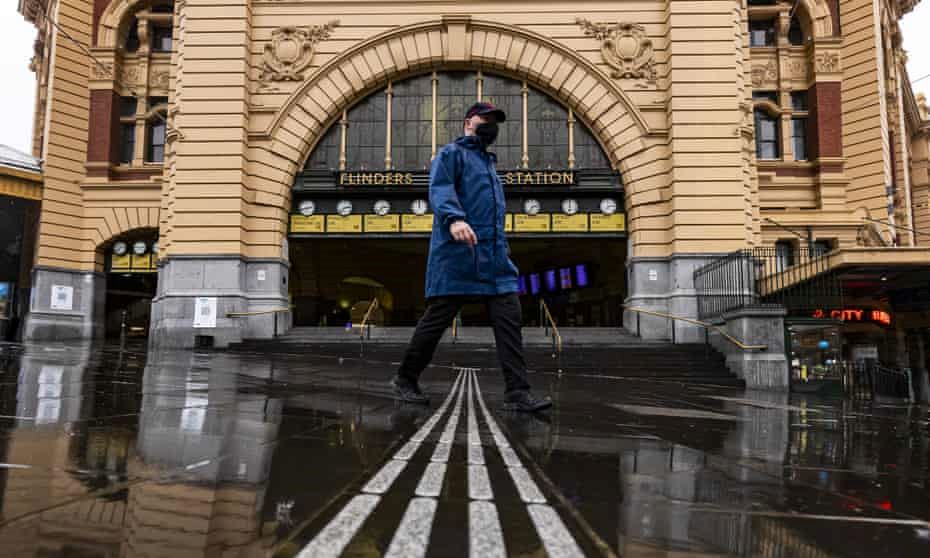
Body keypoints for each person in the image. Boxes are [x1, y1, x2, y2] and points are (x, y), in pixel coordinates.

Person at [391, 101, 552, 413]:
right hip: (458, 255)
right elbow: (440, 188)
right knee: (436, 321)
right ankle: (405, 379)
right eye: (485, 119)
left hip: (495, 261)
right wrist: (455, 219)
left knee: (510, 320)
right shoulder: (451, 154)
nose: (491, 125)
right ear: (468, 123)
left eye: (495, 121)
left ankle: (517, 392)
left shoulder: (489, 166)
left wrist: (502, 250)